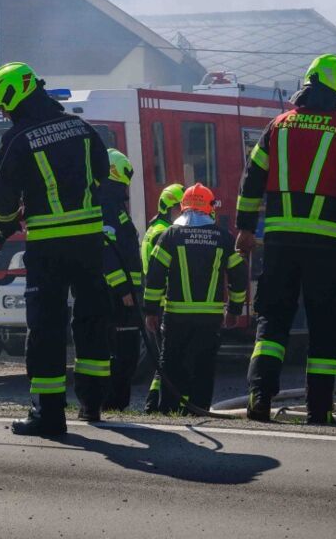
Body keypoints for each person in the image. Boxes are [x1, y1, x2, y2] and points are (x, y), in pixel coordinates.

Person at [236, 54, 336, 424]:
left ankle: (259, 397)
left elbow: (251, 178)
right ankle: (319, 411)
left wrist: (244, 228)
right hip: (325, 246)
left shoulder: (277, 126)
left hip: (280, 244)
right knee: (325, 325)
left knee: (273, 321)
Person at [0, 61, 131, 437]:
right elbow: (101, 170)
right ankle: (92, 403)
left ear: (15, 96)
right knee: (91, 320)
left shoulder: (18, 138)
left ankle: (48, 415)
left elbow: (3, 193)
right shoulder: (81, 128)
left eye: (2, 105)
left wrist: (4, 224)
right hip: (89, 242)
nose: (2, 113)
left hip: (48, 245)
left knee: (46, 328)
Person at [143, 183, 247, 413]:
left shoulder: (170, 235)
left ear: (183, 207)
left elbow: (155, 275)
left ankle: (169, 409)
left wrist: (150, 310)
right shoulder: (223, 237)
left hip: (176, 316)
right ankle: (199, 408)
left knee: (171, 362)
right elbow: (238, 276)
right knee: (203, 365)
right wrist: (234, 310)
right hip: (209, 318)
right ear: (210, 208)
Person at [100, 149, 144, 411]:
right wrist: (123, 288)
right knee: (120, 351)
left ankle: (116, 403)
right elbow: (105, 251)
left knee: (127, 350)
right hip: (114, 296)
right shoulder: (106, 206)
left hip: (125, 295)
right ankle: (110, 402)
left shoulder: (114, 206)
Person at [141, 182, 185, 413]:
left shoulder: (155, 228)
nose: (183, 212)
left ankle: (154, 402)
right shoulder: (163, 232)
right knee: (168, 356)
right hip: (162, 302)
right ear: (169, 208)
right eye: (180, 208)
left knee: (165, 356)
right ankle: (157, 403)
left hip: (157, 301)